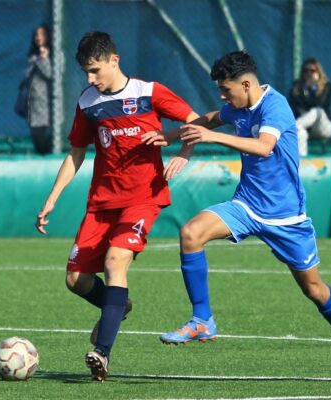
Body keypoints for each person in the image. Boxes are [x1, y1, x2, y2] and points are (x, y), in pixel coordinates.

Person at [145, 51, 331, 378]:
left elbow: (264, 146)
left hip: (286, 217)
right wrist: (172, 136)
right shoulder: (237, 107)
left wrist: (213, 137)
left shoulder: (275, 106)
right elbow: (209, 118)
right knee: (191, 233)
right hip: (247, 205)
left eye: (226, 90)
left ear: (246, 84)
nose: (223, 97)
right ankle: (202, 320)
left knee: (314, 290)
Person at [35, 31, 198, 381]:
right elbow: (76, 152)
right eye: (86, 73)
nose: (91, 79)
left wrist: (183, 153)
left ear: (114, 60)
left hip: (143, 199)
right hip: (101, 204)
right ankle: (117, 305)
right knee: (76, 279)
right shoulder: (87, 101)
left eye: (95, 70)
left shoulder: (148, 93)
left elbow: (195, 121)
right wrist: (52, 198)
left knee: (114, 262)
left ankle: (102, 353)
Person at [287, 58, 331, 157]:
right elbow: (295, 105)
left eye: (312, 70)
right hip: (305, 126)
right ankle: (302, 160)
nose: (308, 73)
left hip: (322, 127)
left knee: (317, 111)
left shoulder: (326, 85)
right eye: (306, 70)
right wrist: (305, 90)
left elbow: (320, 104)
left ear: (318, 72)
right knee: (300, 132)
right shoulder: (297, 86)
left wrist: (312, 89)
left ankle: (295, 126)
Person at [22, 24, 52, 154]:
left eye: (42, 34)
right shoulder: (33, 56)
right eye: (36, 34)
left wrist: (44, 59)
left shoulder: (54, 56)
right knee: (36, 137)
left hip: (48, 105)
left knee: (45, 139)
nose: (38, 37)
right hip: (33, 104)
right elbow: (27, 77)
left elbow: (50, 74)